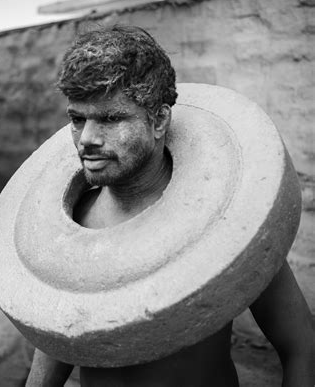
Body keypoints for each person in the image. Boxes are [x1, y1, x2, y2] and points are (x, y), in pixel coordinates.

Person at [25, 25, 314, 387]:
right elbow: (56, 345)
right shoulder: (72, 227)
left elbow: (301, 347)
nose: (87, 139)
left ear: (159, 119)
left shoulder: (221, 214)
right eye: (77, 118)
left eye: (111, 119)